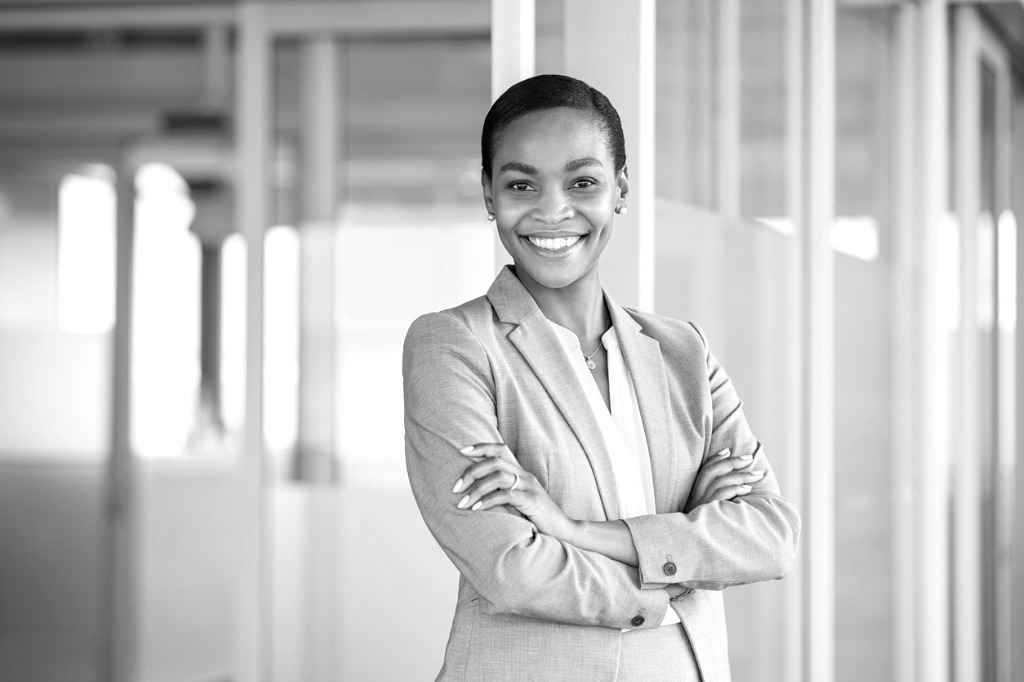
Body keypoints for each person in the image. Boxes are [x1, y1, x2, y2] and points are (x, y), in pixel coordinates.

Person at [402, 74, 800, 682]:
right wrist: (677, 576)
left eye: (582, 182)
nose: (552, 209)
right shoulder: (454, 345)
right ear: (489, 194)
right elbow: (511, 566)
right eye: (520, 184)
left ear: (620, 190)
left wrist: (574, 530)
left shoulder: (682, 353)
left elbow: (768, 536)